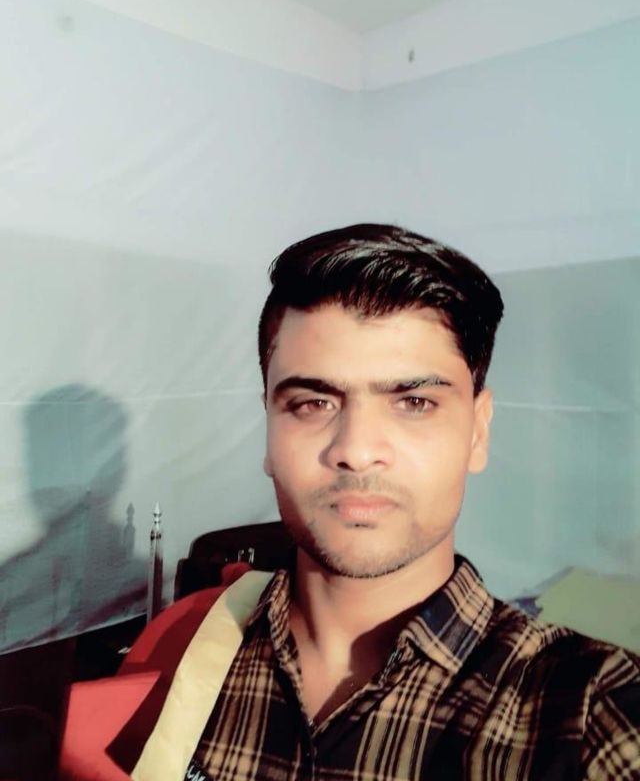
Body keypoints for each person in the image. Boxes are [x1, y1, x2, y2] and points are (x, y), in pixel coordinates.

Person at [63, 223, 640, 780]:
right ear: (268, 430)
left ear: (478, 432)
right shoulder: (185, 642)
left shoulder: (588, 712)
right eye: (312, 403)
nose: (357, 451)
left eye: (414, 402)